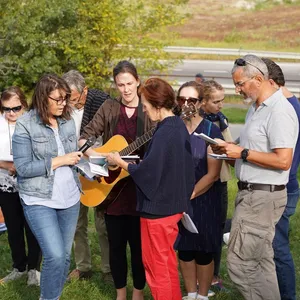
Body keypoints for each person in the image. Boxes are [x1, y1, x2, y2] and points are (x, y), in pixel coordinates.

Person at [211, 54, 298, 300]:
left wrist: (243, 152)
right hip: (251, 194)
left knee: (241, 264)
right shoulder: (256, 107)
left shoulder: (279, 111)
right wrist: (229, 148)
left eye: (240, 84)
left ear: (259, 79)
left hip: (262, 197)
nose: (237, 90)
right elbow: (250, 146)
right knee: (260, 262)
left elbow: (283, 161)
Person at [106, 77, 195, 300]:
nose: (144, 111)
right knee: (165, 265)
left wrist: (122, 162)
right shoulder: (176, 127)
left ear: (157, 105)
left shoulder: (165, 131)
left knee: (156, 269)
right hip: (170, 207)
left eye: (145, 106)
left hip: (158, 211)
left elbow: (150, 174)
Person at [79, 61, 152, 300]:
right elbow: (84, 139)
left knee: (140, 248)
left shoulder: (149, 109)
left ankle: (138, 292)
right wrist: (102, 162)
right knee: (116, 246)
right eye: (120, 85)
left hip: (140, 188)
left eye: (129, 83)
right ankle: (121, 293)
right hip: (113, 191)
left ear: (138, 81)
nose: (126, 89)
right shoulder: (109, 107)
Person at [12, 74, 82, 300]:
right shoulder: (25, 124)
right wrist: (60, 160)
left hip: (70, 198)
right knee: (53, 255)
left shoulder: (68, 119)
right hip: (39, 198)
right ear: (43, 98)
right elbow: (22, 167)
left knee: (63, 257)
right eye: (58, 99)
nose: (63, 103)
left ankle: (53, 295)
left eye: (65, 98)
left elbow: (74, 156)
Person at [174, 81, 223, 300]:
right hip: (178, 198)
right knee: (184, 249)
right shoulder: (173, 127)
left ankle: (202, 295)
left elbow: (212, 174)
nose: (186, 104)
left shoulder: (211, 129)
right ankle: (190, 293)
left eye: (191, 100)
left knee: (203, 251)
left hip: (204, 197)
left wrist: (190, 195)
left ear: (201, 103)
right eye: (182, 99)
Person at [62, 70, 112, 282]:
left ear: (85, 91)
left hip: (99, 164)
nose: (71, 104)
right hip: (72, 167)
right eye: (67, 100)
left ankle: (108, 269)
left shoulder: (103, 102)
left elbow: (111, 137)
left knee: (103, 223)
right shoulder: (61, 107)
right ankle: (83, 266)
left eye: (74, 99)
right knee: (76, 222)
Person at [261, 57, 300, 300]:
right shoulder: (290, 103)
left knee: (278, 247)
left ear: (271, 82)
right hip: (282, 183)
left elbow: (285, 160)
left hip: (282, 185)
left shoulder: (286, 108)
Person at [0, 87, 41, 285]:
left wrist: (23, 166)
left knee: (32, 226)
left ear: (24, 105)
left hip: (31, 181)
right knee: (13, 227)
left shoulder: (34, 121)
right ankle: (19, 267)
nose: (11, 113)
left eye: (16, 108)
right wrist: (8, 165)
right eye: (6, 109)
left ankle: (34, 268)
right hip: (5, 182)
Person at [200, 80, 233, 291]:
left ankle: (214, 277)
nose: (220, 106)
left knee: (218, 230)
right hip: (202, 180)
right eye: (215, 101)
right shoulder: (198, 122)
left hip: (220, 181)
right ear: (203, 102)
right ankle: (198, 276)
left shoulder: (222, 120)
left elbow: (232, 154)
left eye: (222, 101)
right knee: (201, 230)